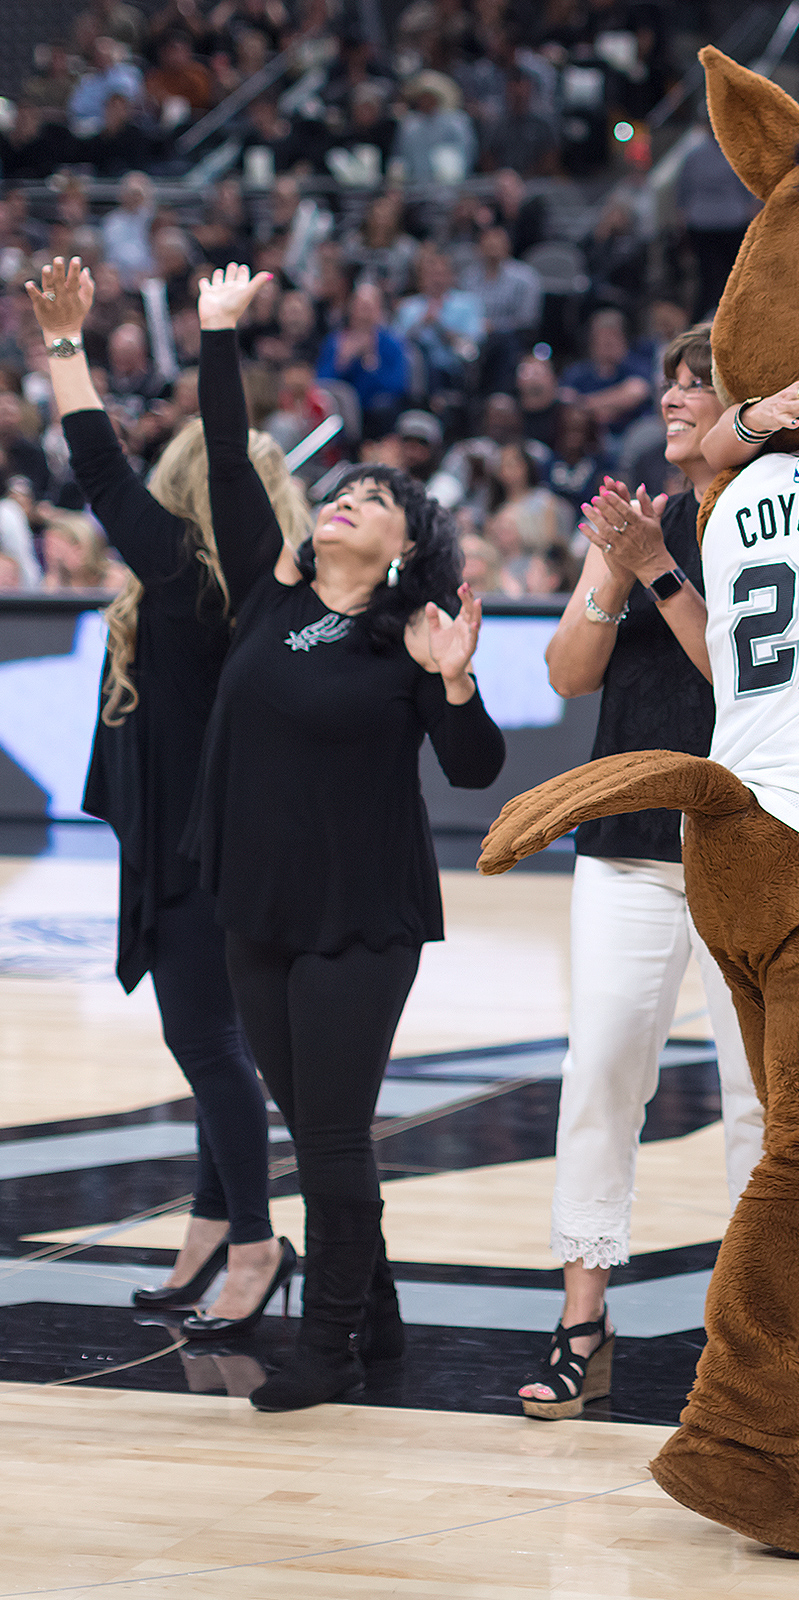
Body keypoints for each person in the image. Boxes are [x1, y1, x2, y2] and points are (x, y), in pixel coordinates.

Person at [183, 263, 506, 1414]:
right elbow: (230, 463)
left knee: (328, 1134)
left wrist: (455, 683)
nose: (349, 499)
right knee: (318, 1129)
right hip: (256, 904)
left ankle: (329, 1351)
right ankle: (376, 1307)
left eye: (376, 499)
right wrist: (218, 334)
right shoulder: (270, 597)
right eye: (346, 489)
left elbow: (475, 768)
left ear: (406, 546)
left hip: (362, 913)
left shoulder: (408, 637)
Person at [25, 257, 312, 1335]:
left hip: (196, 850)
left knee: (207, 1046)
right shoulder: (265, 586)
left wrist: (64, 344)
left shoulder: (188, 573)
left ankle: (256, 1241)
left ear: (185, 484)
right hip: (241, 844)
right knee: (220, 1042)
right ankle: (209, 1223)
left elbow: (98, 468)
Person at [513, 324, 763, 1421]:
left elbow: (738, 676)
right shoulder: (638, 517)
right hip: (626, 844)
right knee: (601, 1070)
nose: (673, 397)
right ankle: (582, 1318)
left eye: (698, 383)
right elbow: (570, 673)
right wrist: (613, 567)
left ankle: (760, 1331)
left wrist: (658, 565)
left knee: (756, 1101)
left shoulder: (762, 519)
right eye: (671, 380)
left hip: (744, 843)